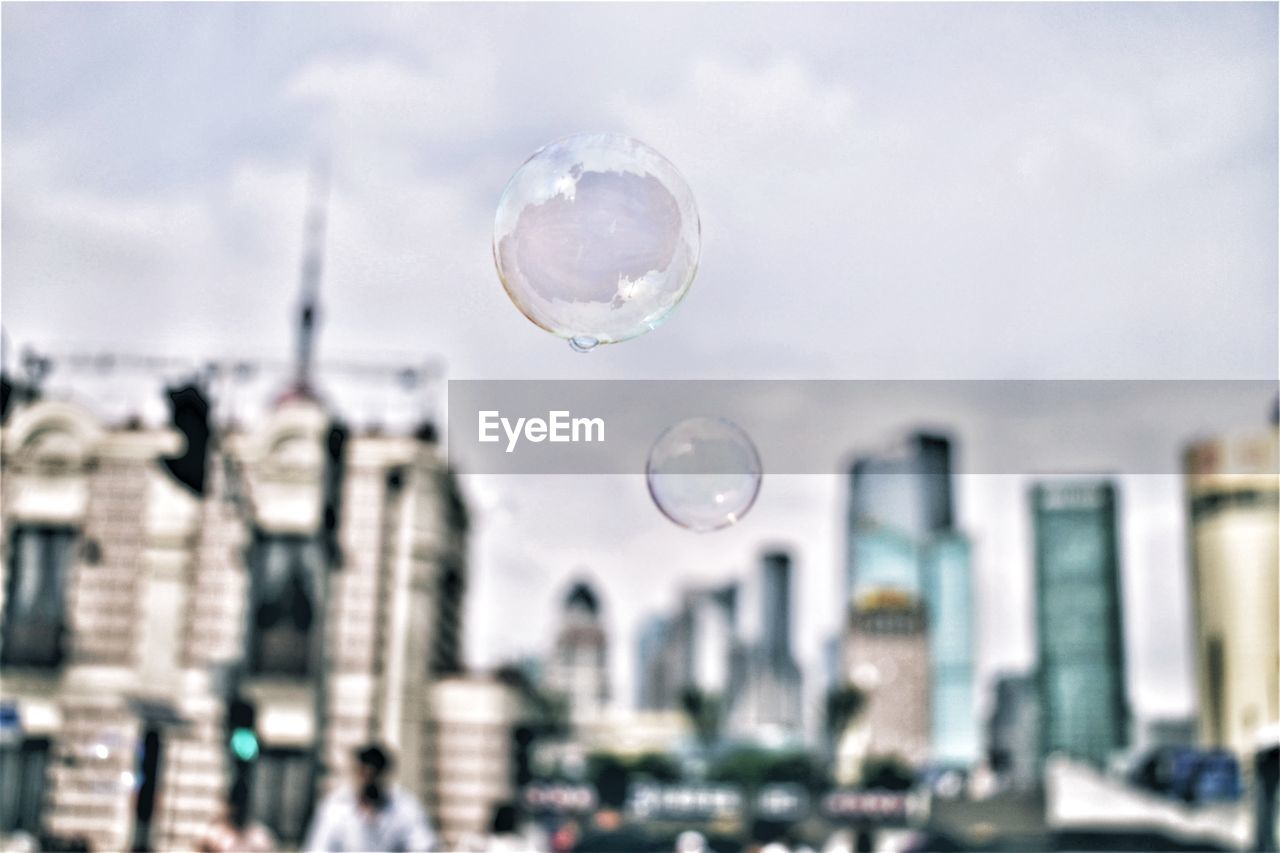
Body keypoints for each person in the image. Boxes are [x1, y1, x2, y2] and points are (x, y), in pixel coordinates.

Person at [303, 742, 437, 852]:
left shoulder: (404, 807)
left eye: (373, 774)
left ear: (383, 773)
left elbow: (423, 846)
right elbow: (319, 848)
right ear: (355, 772)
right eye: (362, 773)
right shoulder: (335, 809)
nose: (367, 780)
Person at [197, 779, 275, 852]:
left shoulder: (260, 838)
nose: (237, 812)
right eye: (233, 807)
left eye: (240, 807)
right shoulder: (211, 836)